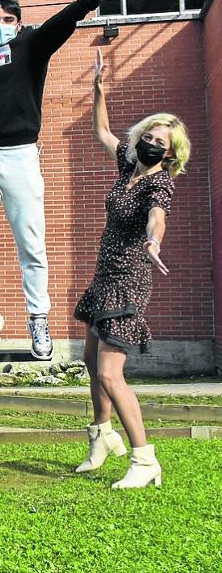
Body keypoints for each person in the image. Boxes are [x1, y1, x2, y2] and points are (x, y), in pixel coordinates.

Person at [0, 0, 128, 360]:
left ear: (17, 25)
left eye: (7, 20)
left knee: (31, 245)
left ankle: (38, 318)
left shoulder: (32, 45)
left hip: (19, 155)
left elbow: (62, 22)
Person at [73, 49, 187, 489]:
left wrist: (154, 239)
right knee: (88, 359)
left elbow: (158, 215)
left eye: (163, 143)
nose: (154, 144)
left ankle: (144, 460)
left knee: (108, 373)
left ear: (171, 153)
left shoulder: (160, 182)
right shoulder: (128, 167)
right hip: (105, 276)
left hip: (129, 281)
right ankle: (102, 436)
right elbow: (102, 130)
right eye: (151, 136)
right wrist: (99, 89)